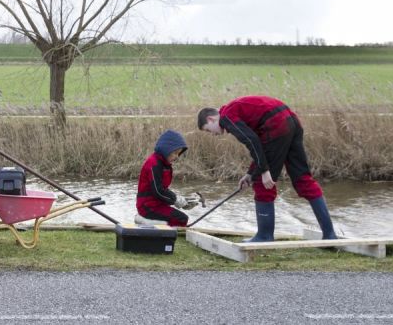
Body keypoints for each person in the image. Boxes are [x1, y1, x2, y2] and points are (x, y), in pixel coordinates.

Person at [198, 95, 337, 242]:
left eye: (208, 130)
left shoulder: (227, 117)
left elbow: (252, 141)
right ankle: (330, 235)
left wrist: (263, 172)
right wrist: (251, 173)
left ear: (211, 119)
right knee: (303, 179)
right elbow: (262, 146)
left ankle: (264, 236)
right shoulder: (234, 111)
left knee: (262, 183)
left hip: (277, 124)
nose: (212, 134)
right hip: (291, 121)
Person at [134, 129, 197, 227]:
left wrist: (182, 201)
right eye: (175, 153)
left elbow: (163, 189)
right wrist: (175, 200)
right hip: (147, 207)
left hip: (156, 204)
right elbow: (158, 191)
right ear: (166, 149)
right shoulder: (154, 164)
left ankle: (151, 224)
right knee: (181, 219)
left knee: (182, 219)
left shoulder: (164, 164)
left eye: (178, 153)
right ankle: (143, 221)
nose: (177, 156)